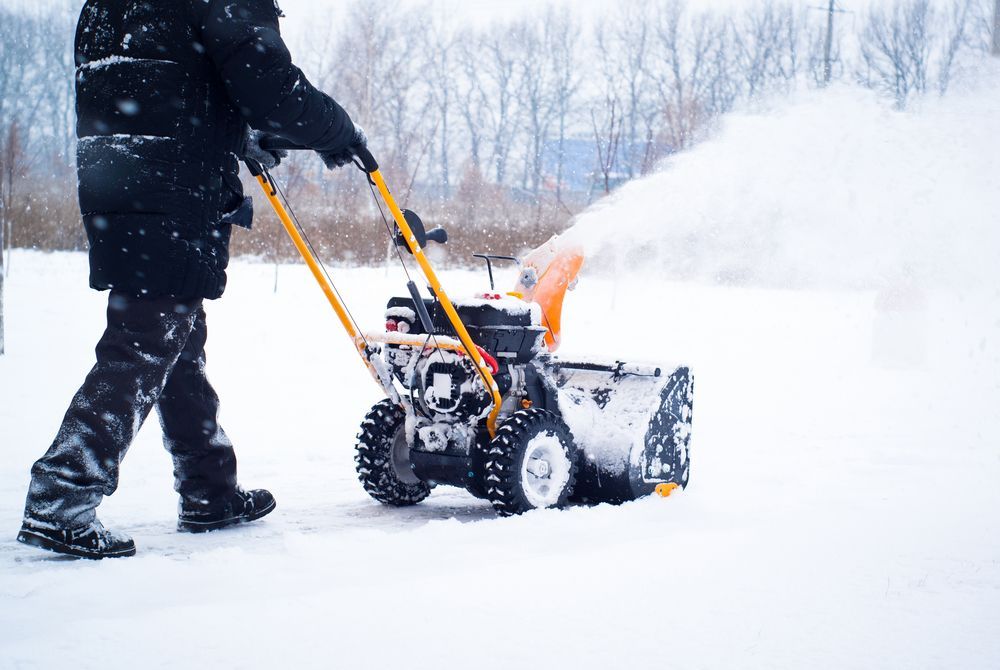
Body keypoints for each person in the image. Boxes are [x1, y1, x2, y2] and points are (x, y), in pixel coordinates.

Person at [16, 0, 366, 559]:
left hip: (117, 177)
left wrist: (234, 135)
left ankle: (209, 489)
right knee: (147, 337)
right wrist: (337, 130)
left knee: (175, 332)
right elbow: (272, 91)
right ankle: (63, 491)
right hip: (174, 184)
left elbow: (152, 82)